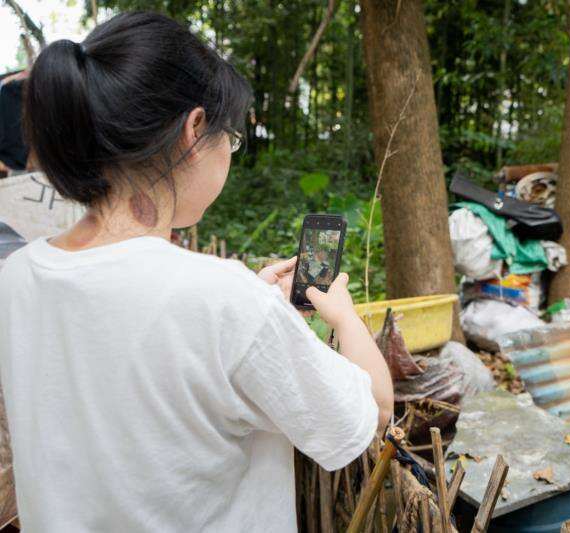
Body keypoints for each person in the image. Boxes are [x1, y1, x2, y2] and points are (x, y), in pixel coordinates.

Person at [0, 11, 393, 532]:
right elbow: (372, 413)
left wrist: (250, 308)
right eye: (231, 138)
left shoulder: (16, 277)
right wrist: (343, 316)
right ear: (195, 129)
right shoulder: (223, 300)